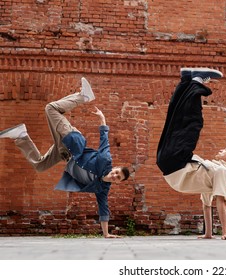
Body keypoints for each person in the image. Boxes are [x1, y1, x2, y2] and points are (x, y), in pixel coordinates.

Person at [0, 78, 131, 238]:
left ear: (118, 181)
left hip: (65, 153)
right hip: (73, 141)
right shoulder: (105, 160)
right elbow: (104, 140)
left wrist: (106, 234)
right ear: (114, 168)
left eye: (118, 178)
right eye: (116, 172)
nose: (115, 175)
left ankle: (21, 136)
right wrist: (102, 120)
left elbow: (103, 208)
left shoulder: (102, 188)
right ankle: (83, 97)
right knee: (51, 108)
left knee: (40, 165)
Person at [156, 67, 226, 240]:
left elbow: (220, 201)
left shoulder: (222, 171)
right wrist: (208, 233)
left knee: (193, 122)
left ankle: (197, 81)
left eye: (225, 150)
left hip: (176, 163)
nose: (222, 149)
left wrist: (225, 233)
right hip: (169, 165)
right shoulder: (211, 175)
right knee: (174, 120)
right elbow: (207, 206)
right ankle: (185, 81)